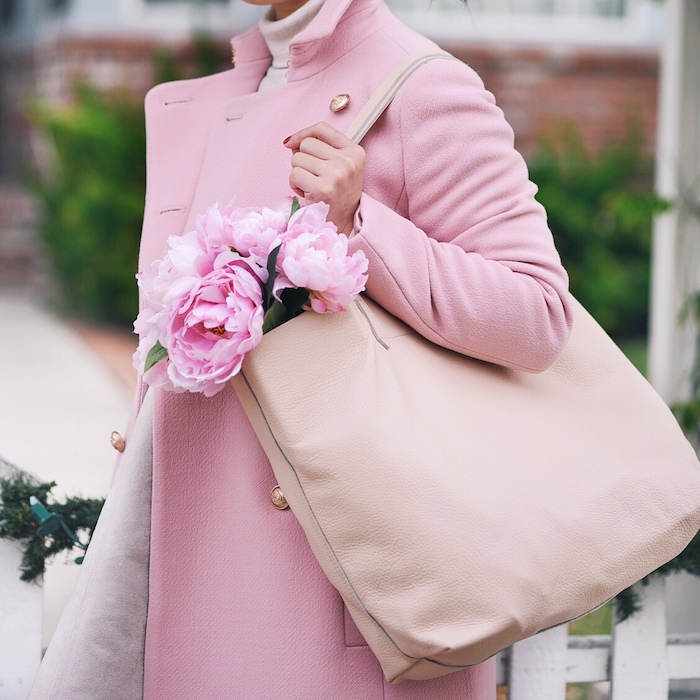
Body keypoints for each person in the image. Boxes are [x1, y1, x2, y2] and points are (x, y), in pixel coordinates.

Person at [29, 0, 572, 697]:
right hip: (195, 547)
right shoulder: (228, 91)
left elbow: (538, 312)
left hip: (338, 585)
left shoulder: (420, 85)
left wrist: (360, 225)